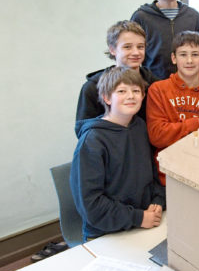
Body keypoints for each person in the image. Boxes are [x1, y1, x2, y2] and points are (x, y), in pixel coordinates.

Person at [70, 67, 165, 241]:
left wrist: (157, 201)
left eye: (136, 91)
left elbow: (152, 175)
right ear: (106, 98)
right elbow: (91, 205)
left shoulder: (140, 127)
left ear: (143, 96)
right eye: (121, 91)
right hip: (106, 232)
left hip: (142, 221)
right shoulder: (92, 141)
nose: (130, 96)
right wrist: (138, 218)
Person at [145, 32, 199, 181]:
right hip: (168, 176)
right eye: (183, 55)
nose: (189, 60)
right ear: (174, 58)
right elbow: (157, 135)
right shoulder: (158, 90)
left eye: (195, 54)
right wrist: (197, 123)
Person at [75, 20, 158, 131]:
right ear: (112, 50)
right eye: (127, 47)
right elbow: (83, 129)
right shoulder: (93, 87)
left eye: (140, 47)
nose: (136, 52)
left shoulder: (156, 85)